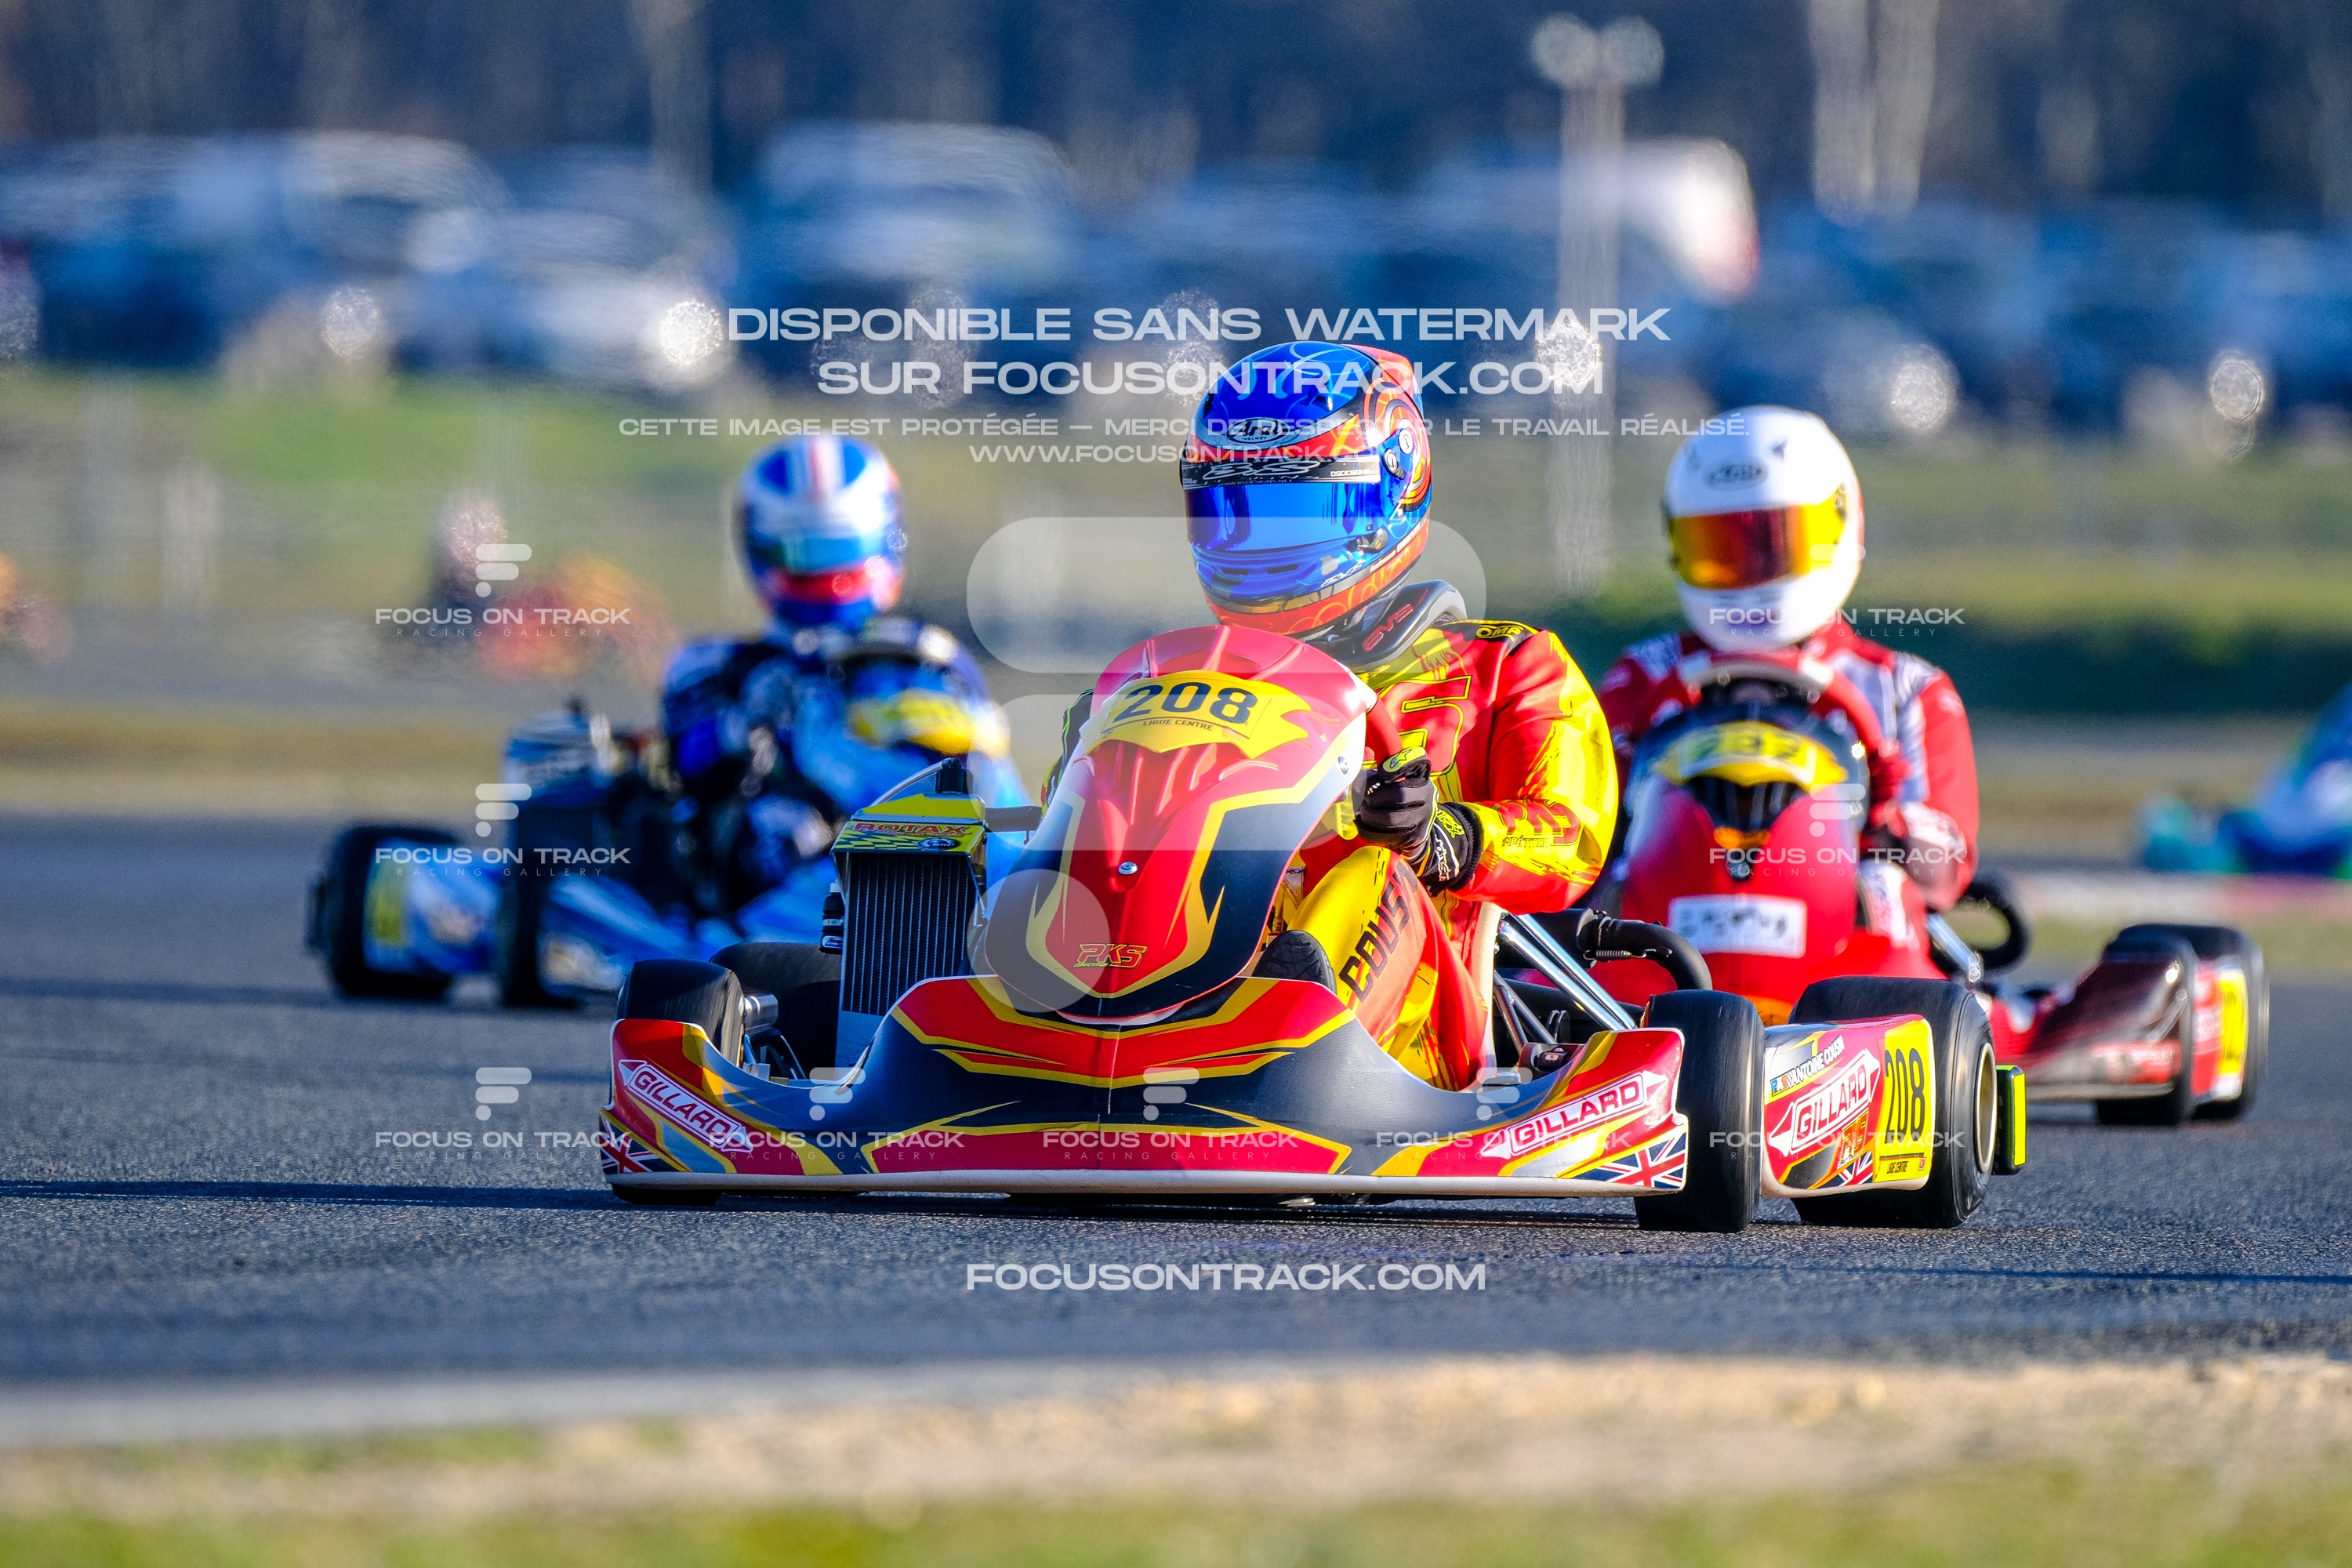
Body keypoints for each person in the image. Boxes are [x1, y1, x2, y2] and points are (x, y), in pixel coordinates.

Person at [1069, 339, 1617, 1091]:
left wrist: (1443, 836)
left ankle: (1279, 1050)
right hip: (1180, 980)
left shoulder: (1505, 666)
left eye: (1296, 511)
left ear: (1393, 488)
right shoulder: (1167, 683)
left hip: (1416, 1044)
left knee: (1369, 866)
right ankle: (1045, 1042)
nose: (1259, 543)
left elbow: (1573, 839)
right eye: (1236, 512)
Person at [1595, 405, 1979, 933]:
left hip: (1845, 952)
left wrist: (1883, 816)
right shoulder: (1645, 677)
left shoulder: (1906, 691)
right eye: (1722, 547)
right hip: (1664, 944)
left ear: (1842, 524)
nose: (1752, 568)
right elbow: (1582, 827)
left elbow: (1947, 870)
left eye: (1775, 542)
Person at [661, 434, 1021, 927]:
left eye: (842, 547)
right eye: (804, 552)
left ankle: (1009, 894)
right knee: (786, 828)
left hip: (920, 846)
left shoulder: (926, 656)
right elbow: (681, 770)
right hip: (782, 881)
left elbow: (985, 762)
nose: (827, 574)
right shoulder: (716, 666)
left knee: (989, 797)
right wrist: (745, 725)